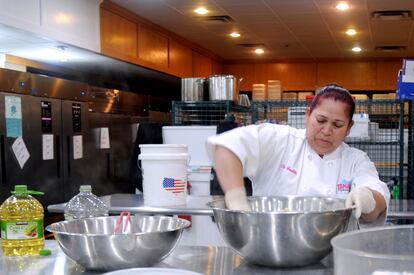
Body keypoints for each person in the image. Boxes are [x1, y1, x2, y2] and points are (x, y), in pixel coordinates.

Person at [206, 84, 389, 225]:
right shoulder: (280, 140)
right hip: (270, 247)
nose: (327, 131)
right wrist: (236, 199)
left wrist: (367, 199)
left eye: (337, 125)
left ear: (349, 128)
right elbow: (226, 147)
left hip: (333, 255)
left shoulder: (355, 160)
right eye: (321, 120)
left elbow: (377, 204)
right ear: (307, 115)